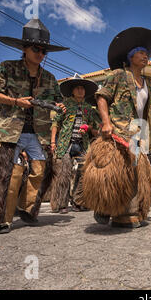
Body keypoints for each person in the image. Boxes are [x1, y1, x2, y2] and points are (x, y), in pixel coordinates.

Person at [0, 18, 68, 234]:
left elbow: (58, 100)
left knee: (40, 171)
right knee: (9, 174)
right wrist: (16, 102)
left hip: (38, 133)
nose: (40, 54)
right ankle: (2, 220)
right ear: (25, 49)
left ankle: (26, 207)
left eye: (44, 51)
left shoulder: (49, 77)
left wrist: (60, 107)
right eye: (36, 49)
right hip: (10, 130)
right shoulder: (7, 68)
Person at [82, 27, 151, 228]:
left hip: (137, 133)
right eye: (141, 52)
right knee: (115, 173)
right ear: (131, 56)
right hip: (117, 131)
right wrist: (106, 123)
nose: (145, 56)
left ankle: (128, 212)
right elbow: (101, 97)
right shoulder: (118, 75)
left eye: (146, 53)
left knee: (136, 173)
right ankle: (112, 209)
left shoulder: (147, 84)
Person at [49, 74, 99, 213]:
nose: (80, 91)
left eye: (82, 88)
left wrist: (88, 128)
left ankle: (78, 201)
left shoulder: (89, 108)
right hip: (66, 143)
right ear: (72, 91)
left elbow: (95, 129)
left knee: (85, 172)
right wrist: (53, 142)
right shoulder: (64, 105)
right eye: (77, 88)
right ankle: (61, 205)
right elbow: (55, 123)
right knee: (63, 173)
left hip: (82, 144)